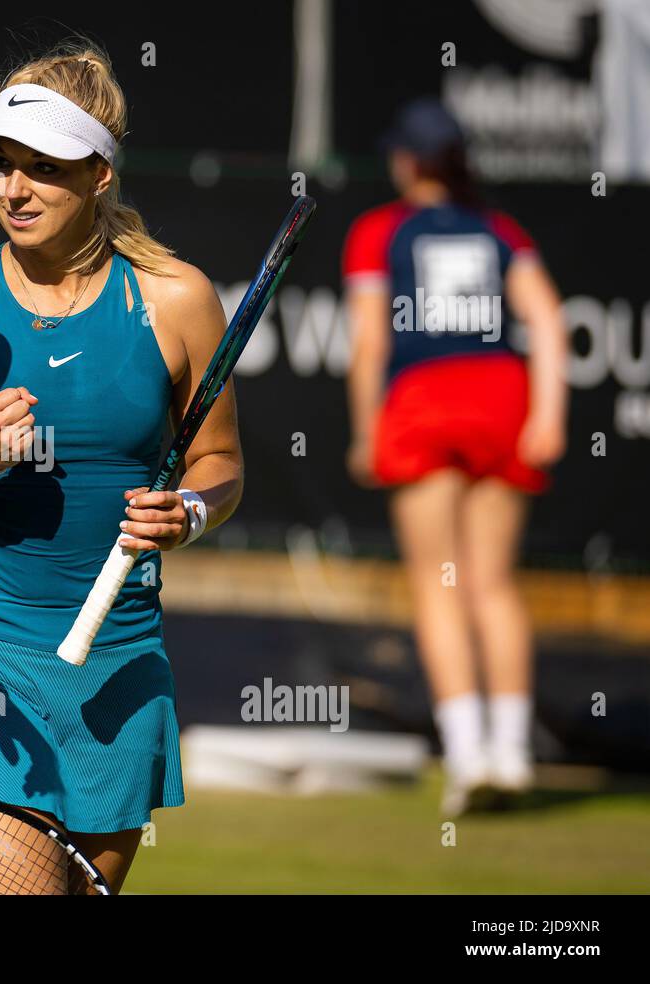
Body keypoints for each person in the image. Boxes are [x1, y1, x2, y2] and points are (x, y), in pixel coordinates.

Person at [0, 40, 244, 893]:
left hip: (119, 672)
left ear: (100, 176)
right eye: (2, 165)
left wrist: (189, 512)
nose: (14, 189)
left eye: (44, 168)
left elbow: (221, 459)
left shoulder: (179, 298)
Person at [342, 98, 568, 815]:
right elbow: (550, 323)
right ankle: (511, 752)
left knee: (438, 587)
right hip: (502, 395)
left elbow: (371, 342)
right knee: (493, 585)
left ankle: (470, 760)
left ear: (407, 163)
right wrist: (549, 415)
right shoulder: (500, 230)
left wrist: (365, 430)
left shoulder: (380, 231)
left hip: (424, 404)